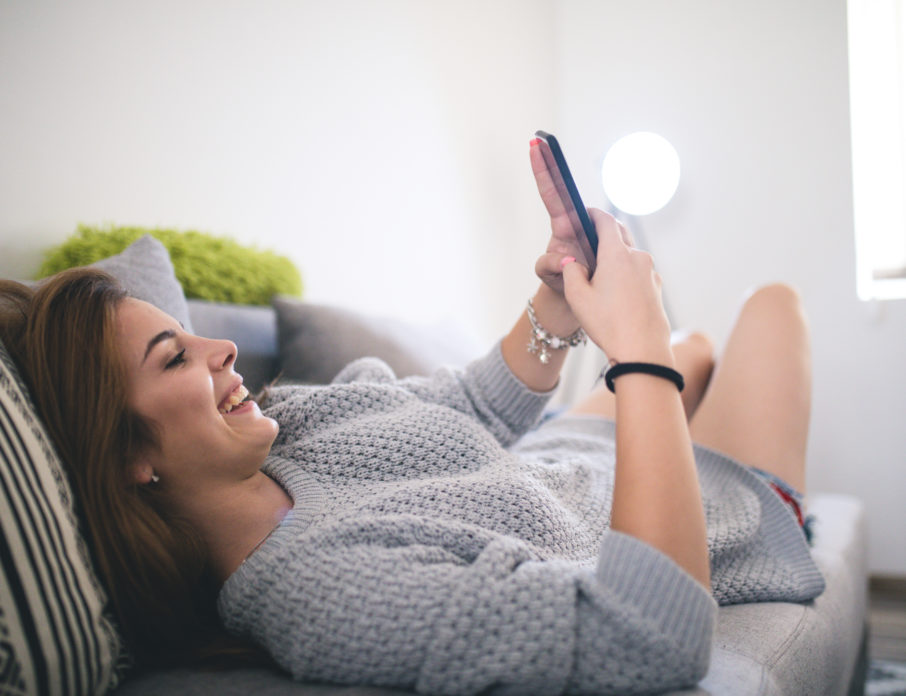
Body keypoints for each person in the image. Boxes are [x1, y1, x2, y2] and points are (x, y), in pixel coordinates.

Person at [0, 139, 825, 695]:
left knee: (697, 340)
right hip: (693, 501)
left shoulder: (285, 424)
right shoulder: (321, 595)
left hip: (572, 452)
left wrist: (558, 298)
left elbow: (468, 403)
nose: (221, 348)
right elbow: (653, 634)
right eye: (174, 358)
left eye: (187, 335)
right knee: (772, 305)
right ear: (127, 461)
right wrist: (636, 354)